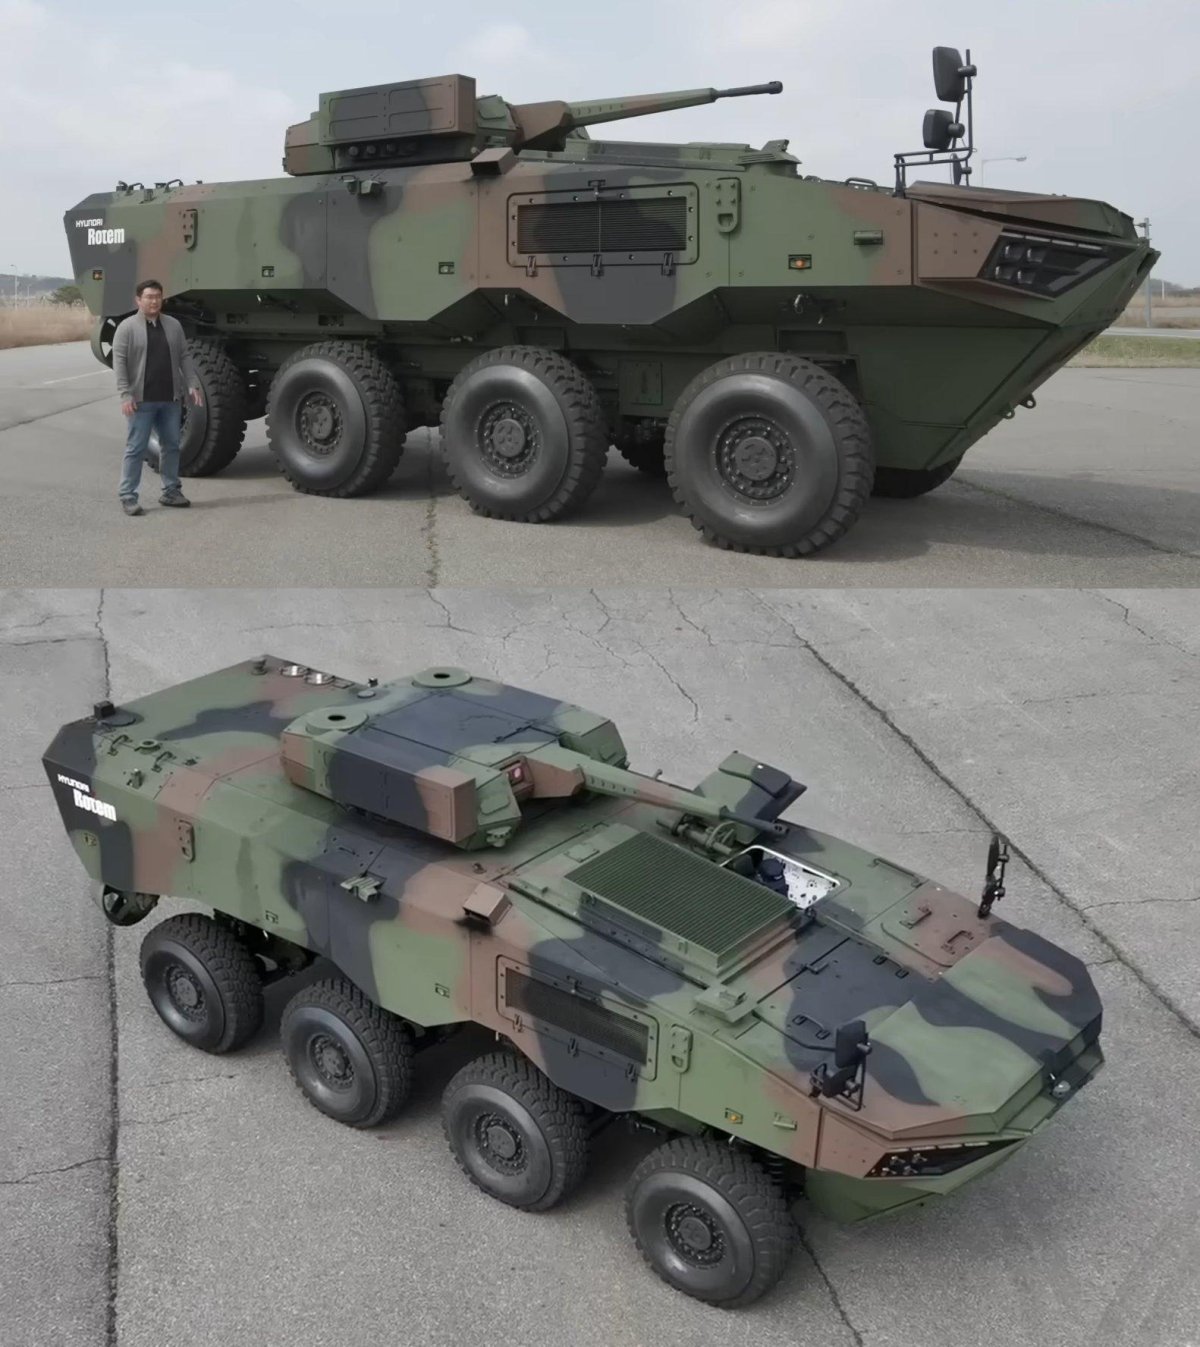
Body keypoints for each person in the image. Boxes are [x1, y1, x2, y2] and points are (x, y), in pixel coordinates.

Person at [111, 279, 203, 516]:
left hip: (170, 399)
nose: (154, 301)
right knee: (136, 448)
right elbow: (119, 362)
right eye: (149, 297)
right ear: (138, 300)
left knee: (171, 446)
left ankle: (171, 491)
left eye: (157, 297)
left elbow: (184, 356)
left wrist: (191, 384)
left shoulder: (173, 325)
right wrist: (125, 394)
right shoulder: (127, 328)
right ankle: (128, 496)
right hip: (141, 401)